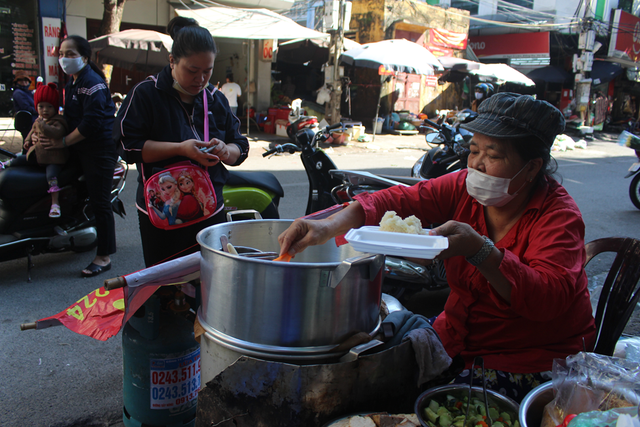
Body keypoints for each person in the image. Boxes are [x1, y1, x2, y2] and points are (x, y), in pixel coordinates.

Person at [277, 93, 596, 402]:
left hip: (530, 359)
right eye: (474, 150)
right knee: (352, 362)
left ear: (531, 167)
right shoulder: (462, 187)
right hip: (455, 335)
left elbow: (547, 300)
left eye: (494, 155)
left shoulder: (559, 218)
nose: (478, 165)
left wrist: (480, 250)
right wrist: (325, 226)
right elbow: (397, 199)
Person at [115, 16, 249, 267]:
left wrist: (224, 150)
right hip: (162, 212)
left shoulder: (215, 98)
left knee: (208, 280)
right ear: (172, 61)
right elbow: (127, 147)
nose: (200, 79)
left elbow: (239, 147)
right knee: (164, 284)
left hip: (210, 209)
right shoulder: (146, 95)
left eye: (207, 71)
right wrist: (181, 149)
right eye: (192, 70)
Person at [38, 35, 118, 277]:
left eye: (70, 54)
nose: (64, 58)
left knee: (100, 202)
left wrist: (62, 142)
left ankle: (104, 257)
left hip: (99, 150)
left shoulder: (91, 82)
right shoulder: (72, 82)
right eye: (61, 54)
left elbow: (90, 124)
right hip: (80, 148)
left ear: (84, 57)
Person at [2, 82, 69, 218]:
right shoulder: (39, 120)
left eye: (49, 107)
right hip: (38, 156)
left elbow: (56, 132)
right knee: (18, 159)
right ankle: (4, 165)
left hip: (53, 159)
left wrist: (42, 125)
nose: (45, 110)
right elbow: (32, 130)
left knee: (51, 178)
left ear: (55, 107)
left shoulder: (58, 121)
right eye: (41, 106)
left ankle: (55, 203)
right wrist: (27, 141)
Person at [12, 71, 37, 149]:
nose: (24, 83)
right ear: (17, 82)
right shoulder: (18, 93)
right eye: (21, 81)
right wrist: (39, 110)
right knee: (28, 143)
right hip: (26, 122)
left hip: (31, 121)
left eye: (26, 81)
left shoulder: (28, 92)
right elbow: (26, 107)